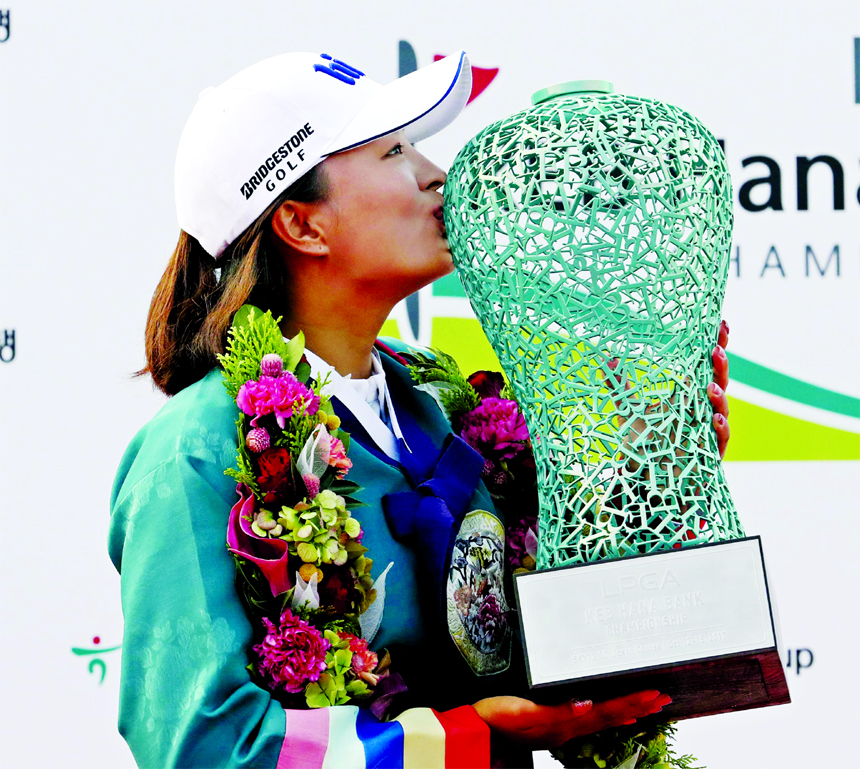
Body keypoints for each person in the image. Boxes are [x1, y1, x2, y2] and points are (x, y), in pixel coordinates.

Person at [109, 50, 731, 769]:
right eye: (395, 151)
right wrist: (471, 736)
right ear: (302, 225)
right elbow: (203, 746)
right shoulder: (195, 449)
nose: (438, 176)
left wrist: (651, 465)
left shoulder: (443, 411)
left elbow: (532, 647)